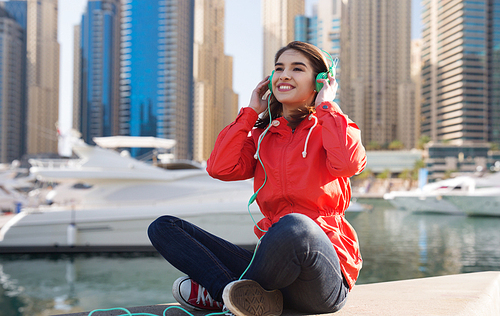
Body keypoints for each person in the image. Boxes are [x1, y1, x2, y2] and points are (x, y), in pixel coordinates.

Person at [148, 41, 366, 316]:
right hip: (272, 270)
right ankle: (231, 293)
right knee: (164, 226)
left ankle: (225, 293)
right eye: (279, 68)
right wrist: (251, 112)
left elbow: (349, 163)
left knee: (296, 225)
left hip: (321, 278)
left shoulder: (331, 126)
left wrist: (327, 106)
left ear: (320, 82)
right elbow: (220, 168)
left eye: (297, 69)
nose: (284, 75)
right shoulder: (262, 136)